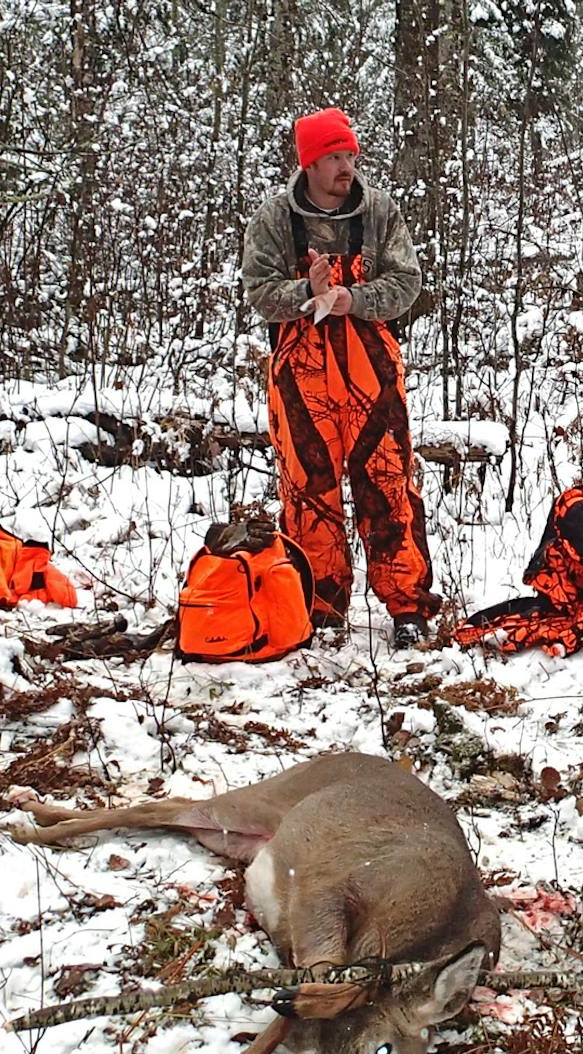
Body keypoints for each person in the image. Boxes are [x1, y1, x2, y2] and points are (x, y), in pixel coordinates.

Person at [242, 107, 435, 649]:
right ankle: (323, 609)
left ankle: (407, 607)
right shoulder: (276, 219)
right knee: (308, 490)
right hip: (299, 372)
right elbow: (259, 294)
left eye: (349, 155)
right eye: (334, 158)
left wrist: (355, 298)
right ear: (310, 163)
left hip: (370, 363)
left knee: (388, 483)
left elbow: (407, 282)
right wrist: (306, 291)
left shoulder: (378, 212)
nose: (346, 166)